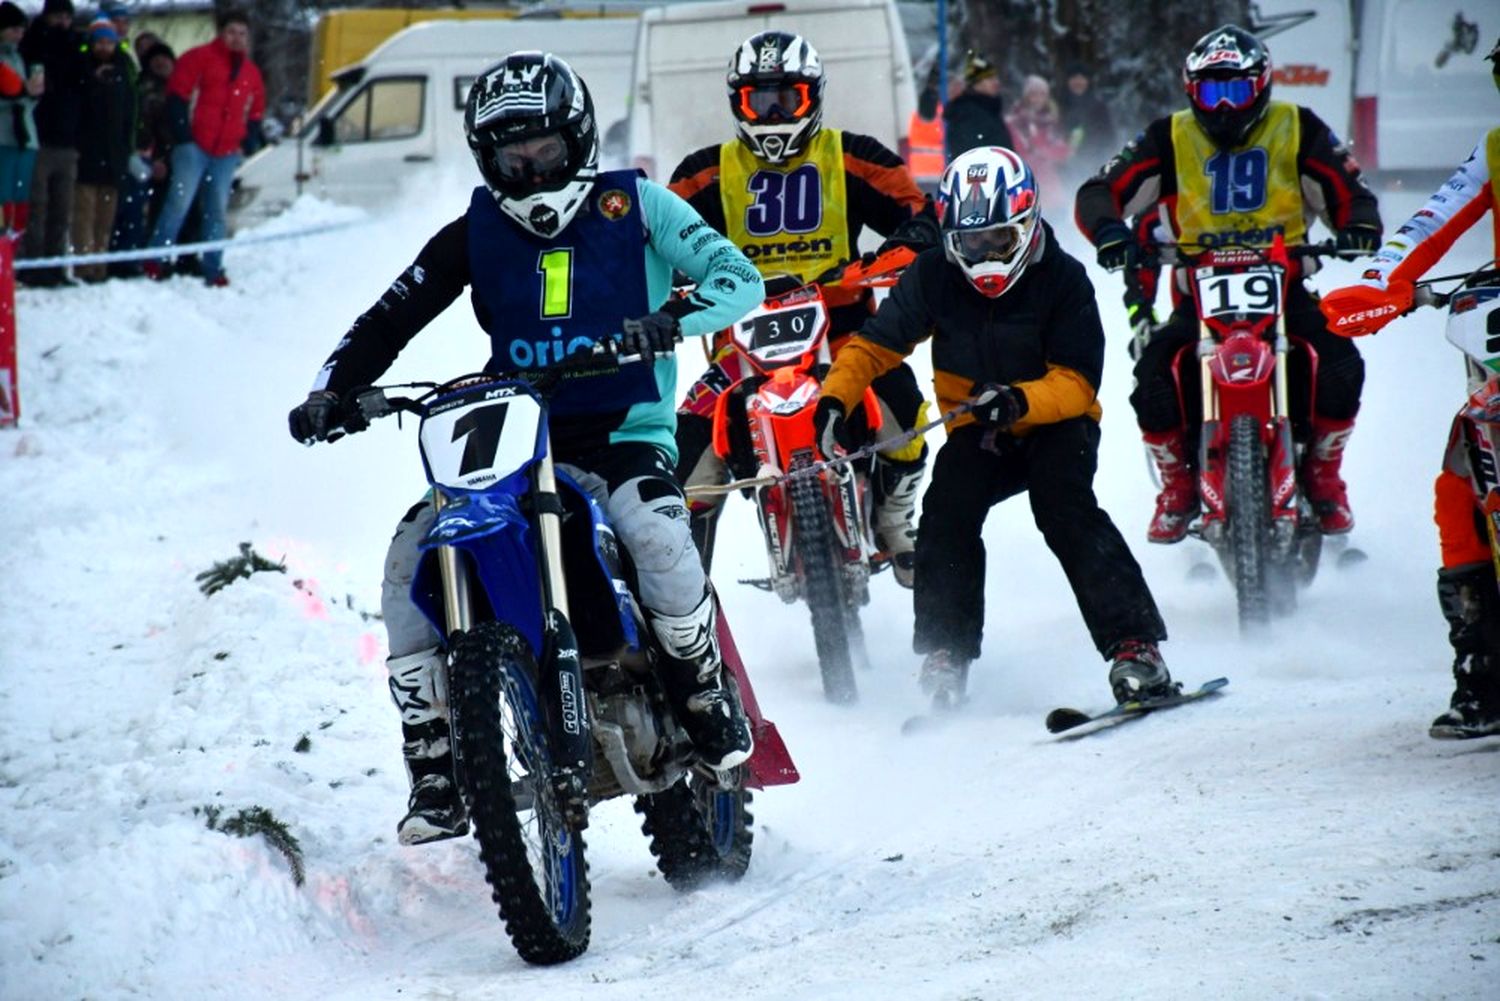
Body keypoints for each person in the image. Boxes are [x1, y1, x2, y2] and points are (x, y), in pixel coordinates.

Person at [287, 52, 765, 844]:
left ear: (579, 139)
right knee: (411, 553)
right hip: (513, 431)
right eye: (514, 158)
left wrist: (670, 321)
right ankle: (434, 760)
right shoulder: (475, 230)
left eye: (546, 150)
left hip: (623, 430)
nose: (534, 171)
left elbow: (737, 277)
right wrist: (330, 392)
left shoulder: (635, 203)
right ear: (488, 159)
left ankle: (703, 687)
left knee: (653, 528)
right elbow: (389, 318)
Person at [812, 145, 1171, 710]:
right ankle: (946, 653)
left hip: (1059, 424)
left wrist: (1018, 401)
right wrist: (835, 399)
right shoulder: (933, 274)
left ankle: (1136, 647)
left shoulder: (1065, 279)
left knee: (1064, 508)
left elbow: (1078, 383)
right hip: (980, 430)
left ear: (1026, 225)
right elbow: (874, 345)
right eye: (971, 242)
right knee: (945, 513)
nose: (985, 255)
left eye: (998, 239)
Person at [1074, 24, 1382, 543]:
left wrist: (1359, 225)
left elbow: (1349, 188)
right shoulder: (1168, 136)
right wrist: (1109, 232)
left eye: (1235, 91)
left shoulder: (1297, 127)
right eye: (1210, 92)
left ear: (1261, 87)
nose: (1222, 107)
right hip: (1199, 293)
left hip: (1285, 287)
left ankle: (1323, 475)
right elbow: (1100, 189)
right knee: (1152, 378)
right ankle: (1177, 488)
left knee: (1341, 364)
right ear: (1190, 91)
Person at [666, 30, 940, 586]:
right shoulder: (703, 172)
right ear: (737, 103)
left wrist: (891, 253)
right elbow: (658, 237)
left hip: (843, 329)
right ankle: (681, 583)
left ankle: (894, 522)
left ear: (812, 97)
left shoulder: (852, 156)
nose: (773, 114)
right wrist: (668, 282)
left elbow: (920, 215)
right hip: (742, 343)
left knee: (905, 410)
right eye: (758, 101)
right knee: (684, 457)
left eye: (786, 99)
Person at [1317, 38, 1500, 739]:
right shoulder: (1494, 150)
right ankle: (1483, 673)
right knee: (1461, 482)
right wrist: (1381, 282)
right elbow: (1431, 220)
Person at [142, 7, 264, 287]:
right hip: (194, 146)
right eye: (231, 32)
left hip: (226, 153)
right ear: (221, 33)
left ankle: (213, 267)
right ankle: (155, 259)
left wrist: (247, 141)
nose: (236, 38)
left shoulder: (251, 73)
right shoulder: (198, 59)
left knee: (216, 211)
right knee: (178, 203)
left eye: (242, 34)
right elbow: (177, 97)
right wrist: (184, 137)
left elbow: (255, 111)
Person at [18, 0, 84, 287]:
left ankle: (55, 265)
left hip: (67, 140)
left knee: (62, 209)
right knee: (37, 207)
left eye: (67, 17)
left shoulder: (76, 47)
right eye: (58, 16)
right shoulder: (33, 45)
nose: (62, 22)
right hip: (39, 139)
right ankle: (33, 266)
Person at [69, 16, 131, 282]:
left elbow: (128, 113)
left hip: (113, 155)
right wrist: (93, 82)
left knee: (105, 218)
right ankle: (84, 266)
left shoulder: (123, 71)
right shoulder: (81, 69)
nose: (105, 47)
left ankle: (100, 264)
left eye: (109, 42)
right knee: (84, 214)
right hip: (87, 153)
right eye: (100, 42)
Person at [0, 0, 41, 236]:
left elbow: (25, 98)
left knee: (21, 200)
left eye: (21, 30)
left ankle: (11, 249)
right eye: (14, 29)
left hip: (25, 136)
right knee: (4, 197)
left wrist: (31, 94)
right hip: (4, 136)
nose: (19, 35)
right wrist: (20, 93)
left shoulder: (20, 57)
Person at [1004, 74, 1069, 215]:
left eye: (1042, 94)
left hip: (1052, 184)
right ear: (1026, 97)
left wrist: (1045, 153)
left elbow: (1063, 150)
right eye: (1034, 94)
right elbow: (1017, 151)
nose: (1038, 99)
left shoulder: (1051, 121)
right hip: (1026, 184)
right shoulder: (1014, 121)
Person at [942, 51, 1013, 164]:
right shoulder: (966, 113)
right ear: (976, 83)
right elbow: (970, 159)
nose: (996, 82)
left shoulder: (989, 109)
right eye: (990, 78)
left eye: (996, 78)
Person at [1057, 63, 1115, 177]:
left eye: (1082, 78)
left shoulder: (1099, 107)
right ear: (1067, 81)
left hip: (1094, 162)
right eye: (1074, 78)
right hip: (1064, 167)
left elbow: (1109, 137)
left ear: (1088, 81)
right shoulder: (1059, 106)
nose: (1078, 82)